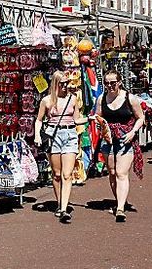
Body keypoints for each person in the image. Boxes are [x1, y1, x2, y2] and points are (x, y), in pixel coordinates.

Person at [34, 71, 86, 224]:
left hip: (69, 134)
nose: (65, 86)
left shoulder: (73, 98)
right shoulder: (47, 100)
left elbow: (76, 120)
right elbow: (39, 120)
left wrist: (90, 118)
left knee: (67, 174)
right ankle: (59, 203)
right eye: (62, 83)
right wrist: (37, 135)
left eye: (66, 82)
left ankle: (64, 208)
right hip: (53, 135)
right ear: (55, 84)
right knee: (56, 174)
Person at [95, 70, 145, 223]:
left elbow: (140, 118)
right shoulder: (101, 98)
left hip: (125, 137)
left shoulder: (130, 99)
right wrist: (101, 126)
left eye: (113, 83)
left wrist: (133, 132)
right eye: (107, 83)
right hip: (108, 139)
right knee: (112, 171)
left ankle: (121, 208)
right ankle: (119, 200)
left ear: (119, 82)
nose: (110, 86)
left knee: (121, 173)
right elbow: (99, 117)